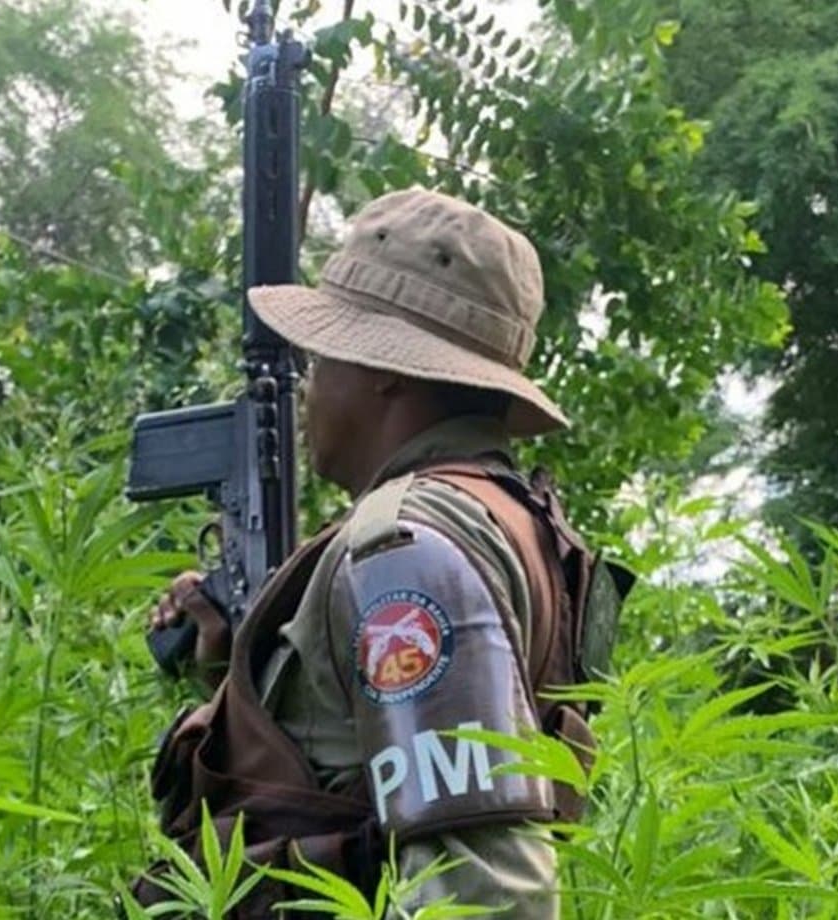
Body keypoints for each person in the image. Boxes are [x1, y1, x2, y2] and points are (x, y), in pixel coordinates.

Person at [134, 188, 607, 918]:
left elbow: (480, 881)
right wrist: (242, 673)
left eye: (324, 355)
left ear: (386, 367)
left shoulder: (404, 545)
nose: (311, 385)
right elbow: (351, 775)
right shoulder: (504, 515)